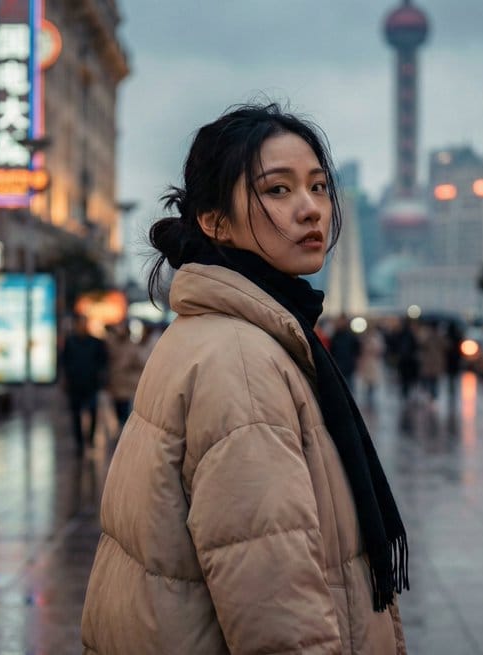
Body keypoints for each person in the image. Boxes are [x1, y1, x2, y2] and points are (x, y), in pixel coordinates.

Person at [81, 104, 407, 654]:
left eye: (318, 186)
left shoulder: (226, 333)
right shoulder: (243, 359)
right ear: (214, 222)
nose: (311, 210)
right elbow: (277, 612)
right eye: (278, 190)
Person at [60, 314, 108, 454]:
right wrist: (66, 379)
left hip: (91, 384)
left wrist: (101, 378)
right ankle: (79, 443)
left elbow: (103, 361)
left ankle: (91, 439)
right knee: (76, 414)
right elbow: (64, 362)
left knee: (92, 412)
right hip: (75, 384)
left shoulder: (96, 342)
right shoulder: (70, 342)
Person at [104, 320, 145, 435]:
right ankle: (122, 428)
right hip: (116, 382)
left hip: (127, 384)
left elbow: (140, 362)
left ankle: (124, 430)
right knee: (117, 407)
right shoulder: (112, 344)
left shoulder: (132, 346)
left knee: (125, 408)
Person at [329, 315, 362, 390]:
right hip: (337, 366)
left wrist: (356, 364)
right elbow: (332, 350)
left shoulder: (351, 336)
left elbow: (357, 351)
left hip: (349, 366)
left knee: (349, 388)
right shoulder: (335, 336)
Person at [357, 326, 386, 410]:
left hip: (373, 364)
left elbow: (379, 351)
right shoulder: (365, 340)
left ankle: (371, 401)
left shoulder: (375, 340)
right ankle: (369, 401)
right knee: (367, 385)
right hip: (367, 364)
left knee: (372, 385)